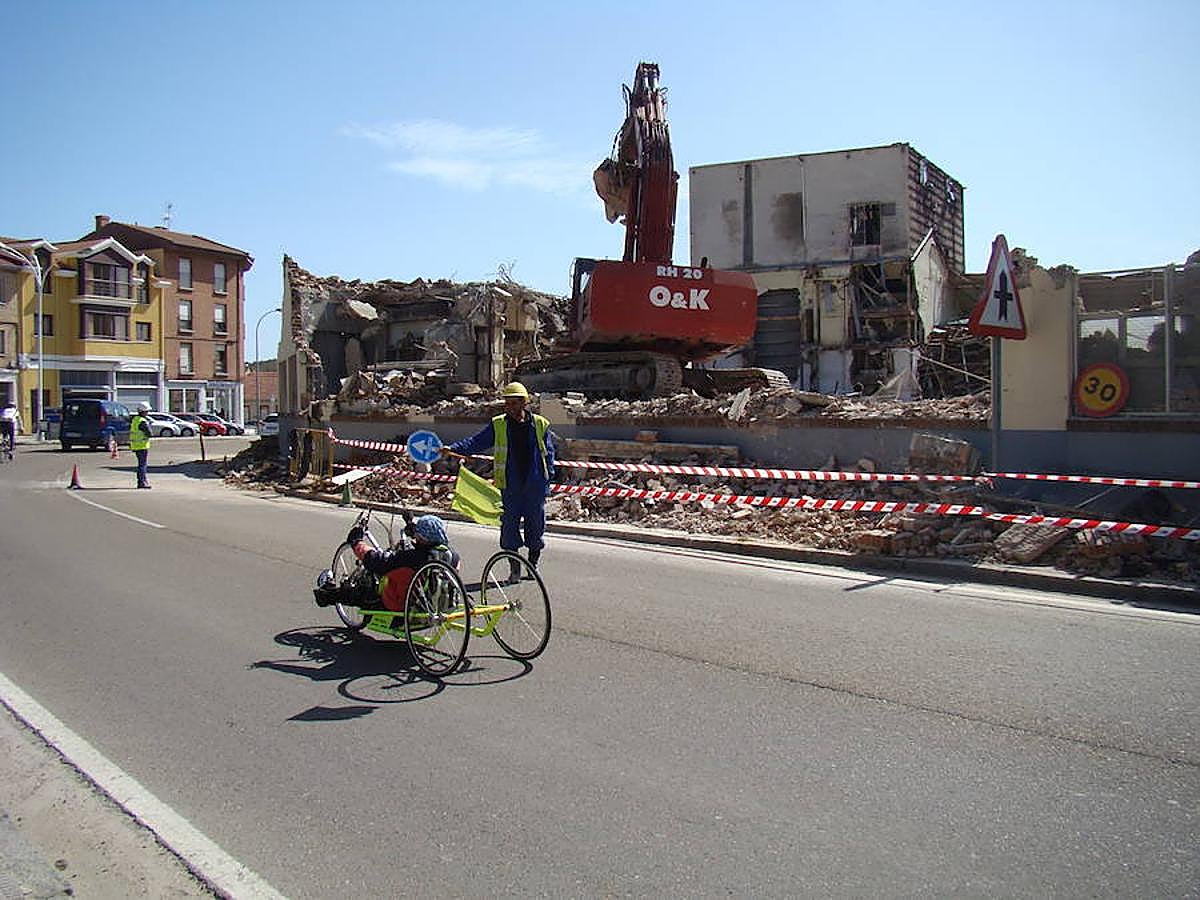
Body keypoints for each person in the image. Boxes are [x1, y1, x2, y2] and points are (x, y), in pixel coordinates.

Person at [441, 381, 555, 575]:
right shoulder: (499, 424)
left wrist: (547, 480)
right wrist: (454, 448)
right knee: (509, 528)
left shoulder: (540, 424)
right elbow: (476, 442)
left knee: (535, 526)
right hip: (510, 485)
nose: (510, 407)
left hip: (534, 485)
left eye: (514, 403)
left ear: (524, 402)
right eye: (507, 403)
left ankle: (533, 564)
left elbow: (549, 454)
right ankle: (515, 568)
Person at [315, 514, 460, 612]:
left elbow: (375, 560)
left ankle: (326, 594)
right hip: (439, 604)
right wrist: (411, 524)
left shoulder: (410, 558)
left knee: (363, 593)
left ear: (421, 537)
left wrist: (356, 542)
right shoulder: (453, 556)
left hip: (404, 605)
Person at [129, 402, 153, 488]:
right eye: (147, 411)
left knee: (141, 464)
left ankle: (141, 482)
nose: (147, 413)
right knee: (142, 465)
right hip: (142, 445)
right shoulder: (142, 421)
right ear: (143, 411)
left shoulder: (135, 419)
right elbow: (149, 433)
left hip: (135, 445)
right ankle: (142, 482)